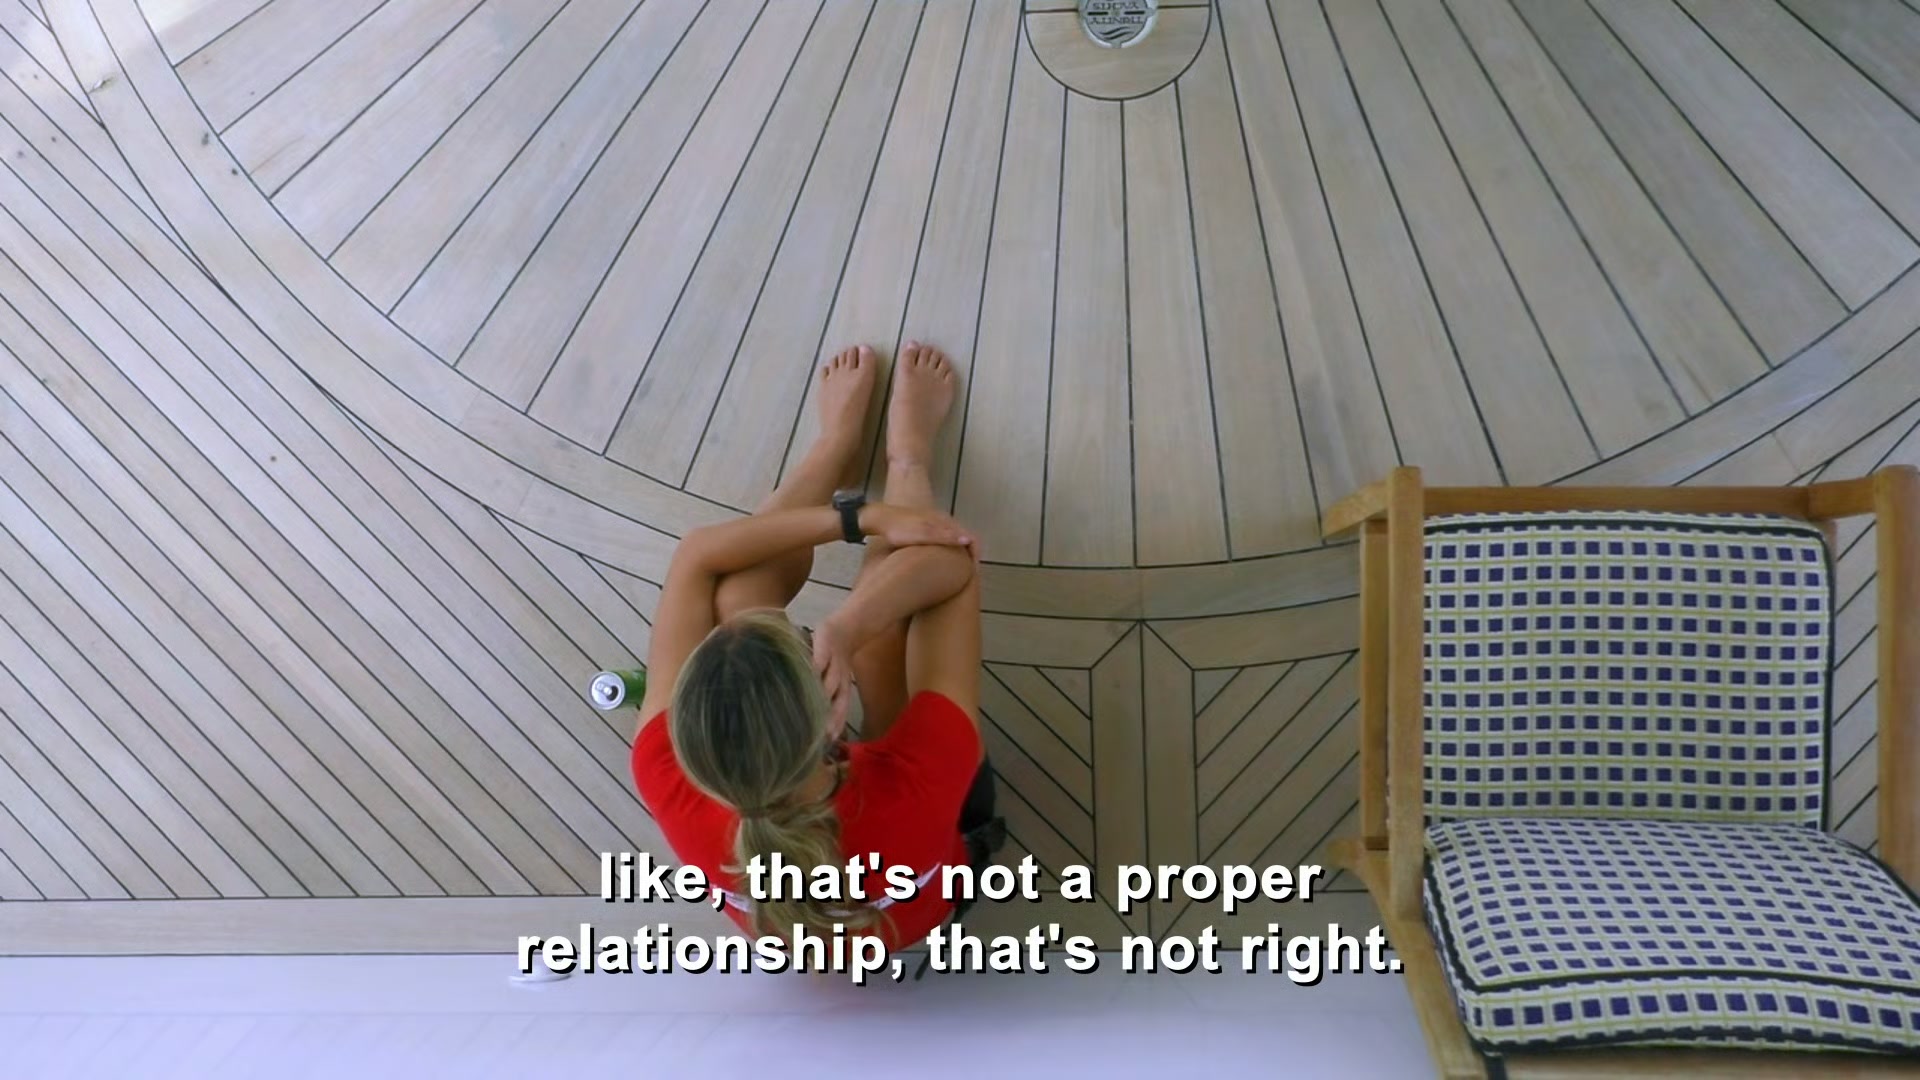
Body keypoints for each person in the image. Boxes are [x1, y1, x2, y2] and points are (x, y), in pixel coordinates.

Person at [630, 341, 999, 950]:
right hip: (927, 848)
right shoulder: (917, 785)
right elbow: (951, 561)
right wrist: (850, 626)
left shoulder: (666, 772)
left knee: (738, 594)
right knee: (882, 643)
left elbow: (699, 556)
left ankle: (833, 451)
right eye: (804, 643)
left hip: (820, 870)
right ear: (833, 720)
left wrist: (856, 518)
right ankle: (909, 460)